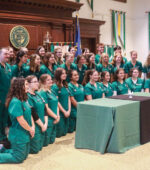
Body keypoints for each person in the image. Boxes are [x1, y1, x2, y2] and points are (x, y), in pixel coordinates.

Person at [0, 77, 35, 163]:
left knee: (24, 156)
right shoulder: (15, 101)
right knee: (18, 158)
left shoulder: (23, 99)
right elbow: (21, 120)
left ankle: (2, 149)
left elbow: (30, 114)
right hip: (18, 134)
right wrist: (30, 129)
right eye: (26, 84)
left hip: (25, 133)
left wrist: (32, 127)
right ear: (20, 86)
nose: (28, 86)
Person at [26, 75, 48, 154]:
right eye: (34, 82)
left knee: (41, 148)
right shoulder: (27, 96)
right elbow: (33, 113)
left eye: (37, 81)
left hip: (43, 124)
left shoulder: (38, 94)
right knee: (35, 150)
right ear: (28, 84)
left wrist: (45, 123)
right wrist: (42, 125)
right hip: (36, 125)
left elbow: (45, 109)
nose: (37, 83)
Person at [39, 74, 60, 146]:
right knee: (46, 143)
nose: (51, 81)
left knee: (52, 141)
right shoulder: (42, 93)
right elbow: (46, 108)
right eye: (48, 80)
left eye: (51, 79)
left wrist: (58, 116)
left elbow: (57, 104)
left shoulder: (52, 91)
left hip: (55, 118)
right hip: (49, 120)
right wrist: (55, 117)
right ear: (43, 82)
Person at [52, 68, 71, 137]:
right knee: (60, 134)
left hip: (67, 112)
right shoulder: (55, 87)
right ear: (58, 75)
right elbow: (56, 101)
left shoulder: (66, 85)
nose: (65, 75)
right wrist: (64, 111)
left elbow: (69, 98)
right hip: (60, 113)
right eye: (63, 73)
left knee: (65, 133)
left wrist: (68, 110)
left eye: (65, 73)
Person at [0, 48, 13, 142]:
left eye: (8, 54)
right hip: (0, 97)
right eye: (5, 54)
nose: (7, 56)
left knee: (5, 117)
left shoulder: (8, 66)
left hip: (7, 97)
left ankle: (3, 136)